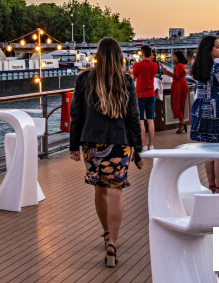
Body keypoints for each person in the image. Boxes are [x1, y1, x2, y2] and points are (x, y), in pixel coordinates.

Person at [69, 37, 144, 269]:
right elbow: (133, 117)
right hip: (120, 142)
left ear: (98, 56)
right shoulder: (126, 81)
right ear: (120, 56)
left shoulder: (84, 79)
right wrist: (138, 149)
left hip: (92, 143)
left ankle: (105, 232)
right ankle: (112, 242)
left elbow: (76, 115)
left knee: (100, 191)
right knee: (116, 193)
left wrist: (73, 145)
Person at [191, 36, 219, 193]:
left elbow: (198, 91)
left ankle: (210, 186)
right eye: (217, 47)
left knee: (208, 150)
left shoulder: (196, 67)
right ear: (209, 49)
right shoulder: (216, 68)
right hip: (216, 110)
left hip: (201, 110)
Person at [132, 45, 158, 151]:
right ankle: (151, 145)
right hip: (151, 94)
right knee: (150, 120)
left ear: (142, 54)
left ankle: (143, 145)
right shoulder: (155, 65)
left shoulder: (137, 65)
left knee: (141, 121)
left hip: (140, 95)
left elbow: (133, 78)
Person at [159, 51, 189, 133]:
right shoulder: (181, 65)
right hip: (181, 84)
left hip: (179, 86)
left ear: (178, 57)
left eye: (175, 56)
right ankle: (182, 124)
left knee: (177, 104)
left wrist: (166, 72)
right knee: (180, 105)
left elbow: (176, 76)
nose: (173, 58)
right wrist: (167, 72)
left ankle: (182, 125)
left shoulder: (178, 66)